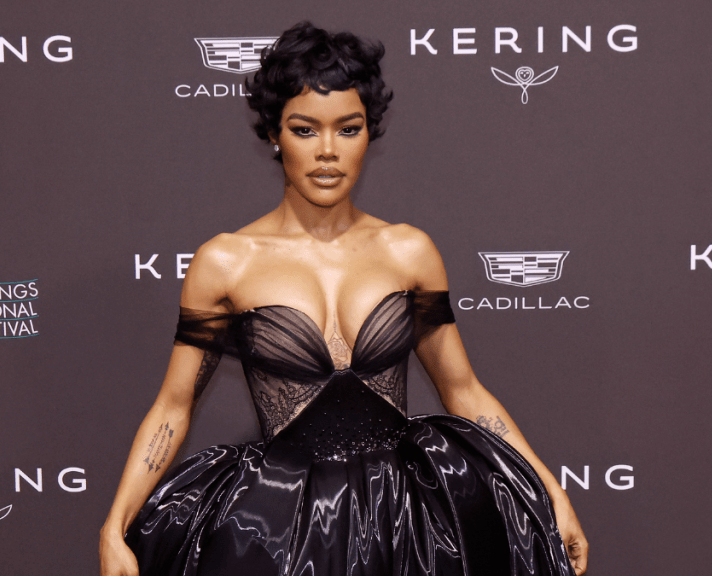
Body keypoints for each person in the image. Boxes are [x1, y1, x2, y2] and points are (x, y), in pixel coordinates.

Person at [100, 22, 587, 576]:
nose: (328, 152)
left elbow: (464, 391)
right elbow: (173, 407)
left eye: (348, 129)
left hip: (407, 524)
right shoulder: (226, 262)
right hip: (282, 525)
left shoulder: (409, 251)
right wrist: (114, 525)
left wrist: (552, 492)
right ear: (274, 134)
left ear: (368, 135)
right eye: (305, 130)